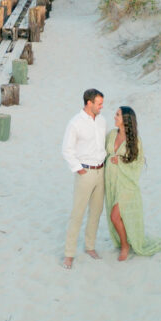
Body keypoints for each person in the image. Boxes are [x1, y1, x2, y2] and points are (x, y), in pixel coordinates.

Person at [105, 106, 161, 261]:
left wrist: (120, 161)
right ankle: (125, 240)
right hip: (112, 182)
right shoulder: (111, 134)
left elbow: (138, 165)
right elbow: (101, 153)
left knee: (115, 216)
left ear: (125, 119)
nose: (114, 117)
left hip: (127, 184)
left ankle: (125, 245)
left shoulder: (135, 141)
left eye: (117, 115)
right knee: (117, 216)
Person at [61, 88, 106, 269]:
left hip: (101, 172)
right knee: (77, 214)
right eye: (99, 103)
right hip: (85, 173)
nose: (101, 106)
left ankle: (90, 246)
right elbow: (66, 150)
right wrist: (79, 170)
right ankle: (69, 254)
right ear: (89, 103)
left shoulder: (102, 121)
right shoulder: (75, 123)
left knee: (96, 212)